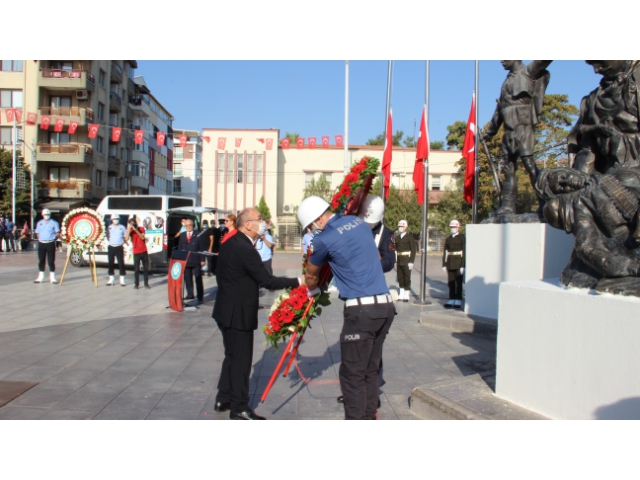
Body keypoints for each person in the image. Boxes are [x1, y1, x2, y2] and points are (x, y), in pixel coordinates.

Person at [299, 196, 395, 420]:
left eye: (311, 225)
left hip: (362, 313)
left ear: (318, 219)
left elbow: (311, 275)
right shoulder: (359, 223)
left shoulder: (324, 239)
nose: (312, 230)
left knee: (352, 376)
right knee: (370, 372)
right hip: (385, 307)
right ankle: (369, 417)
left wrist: (312, 290)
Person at [212, 208, 301, 420]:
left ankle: (224, 398)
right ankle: (239, 408)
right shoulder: (244, 248)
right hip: (237, 313)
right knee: (241, 361)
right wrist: (298, 281)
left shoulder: (232, 242)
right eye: (259, 219)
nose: (263, 222)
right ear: (247, 224)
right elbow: (267, 281)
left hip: (225, 309)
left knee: (231, 357)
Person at [336, 195, 396, 406]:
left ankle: (372, 391)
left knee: (372, 351)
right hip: (354, 296)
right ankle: (354, 390)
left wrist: (371, 259)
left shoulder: (387, 234)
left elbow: (389, 261)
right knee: (352, 349)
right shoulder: (353, 227)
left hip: (374, 296)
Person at [483, 60, 553, 215]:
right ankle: (508, 206)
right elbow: (500, 109)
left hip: (523, 127)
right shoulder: (506, 81)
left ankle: (545, 201)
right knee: (509, 168)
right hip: (508, 130)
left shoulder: (528, 72)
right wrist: (490, 131)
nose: (501, 60)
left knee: (529, 164)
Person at [569, 60, 640, 175]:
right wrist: (579, 179)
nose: (596, 70)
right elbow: (587, 149)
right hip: (612, 177)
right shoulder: (593, 100)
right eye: (592, 65)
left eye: (599, 62)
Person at [177, 219, 208, 303]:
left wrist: (202, 259)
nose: (188, 227)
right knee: (187, 278)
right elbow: (180, 248)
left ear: (193, 225)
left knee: (198, 278)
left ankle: (200, 295)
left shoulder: (198, 234)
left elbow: (202, 248)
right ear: (184, 226)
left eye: (190, 225)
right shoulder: (183, 235)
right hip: (186, 260)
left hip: (196, 260)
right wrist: (180, 259)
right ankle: (190, 294)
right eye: (186, 225)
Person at [442, 220, 465, 309]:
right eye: (451, 227)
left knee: (458, 282)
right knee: (451, 282)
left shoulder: (462, 238)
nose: (453, 229)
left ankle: (458, 299)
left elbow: (464, 251)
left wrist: (463, 265)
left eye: (454, 227)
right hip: (450, 262)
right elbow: (446, 252)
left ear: (458, 228)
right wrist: (444, 264)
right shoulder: (448, 239)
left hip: (458, 262)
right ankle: (451, 298)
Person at [34, 208, 61, 283]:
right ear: (42, 215)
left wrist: (54, 238)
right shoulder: (39, 223)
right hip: (41, 243)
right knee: (41, 260)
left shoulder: (54, 223)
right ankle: (41, 276)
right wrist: (40, 238)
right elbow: (37, 232)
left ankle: (52, 277)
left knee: (51, 260)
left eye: (48, 214)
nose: (46, 216)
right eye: (45, 214)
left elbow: (57, 233)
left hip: (50, 243)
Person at [125, 217, 150, 290]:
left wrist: (136, 229)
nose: (133, 224)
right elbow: (126, 239)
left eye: (134, 223)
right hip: (136, 252)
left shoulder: (141, 228)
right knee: (136, 270)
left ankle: (146, 283)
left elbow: (142, 237)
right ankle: (136, 284)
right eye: (131, 223)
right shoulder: (130, 231)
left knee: (145, 269)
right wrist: (129, 228)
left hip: (143, 250)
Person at [395, 220, 416, 302]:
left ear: (406, 227)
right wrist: (395, 260)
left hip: (407, 259)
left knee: (407, 277)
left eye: (402, 226)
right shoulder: (397, 238)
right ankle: (401, 293)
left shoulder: (410, 238)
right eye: (399, 226)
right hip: (399, 259)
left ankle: (406, 293)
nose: (400, 228)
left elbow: (413, 250)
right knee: (400, 277)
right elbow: (395, 249)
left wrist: (411, 261)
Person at [107, 214, 127, 286]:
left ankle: (122, 279)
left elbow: (125, 236)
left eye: (117, 219)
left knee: (121, 263)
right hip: (111, 247)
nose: (116, 220)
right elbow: (108, 236)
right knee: (110, 263)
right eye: (114, 219)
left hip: (119, 247)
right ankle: (111, 278)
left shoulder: (122, 227)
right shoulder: (109, 227)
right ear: (112, 220)